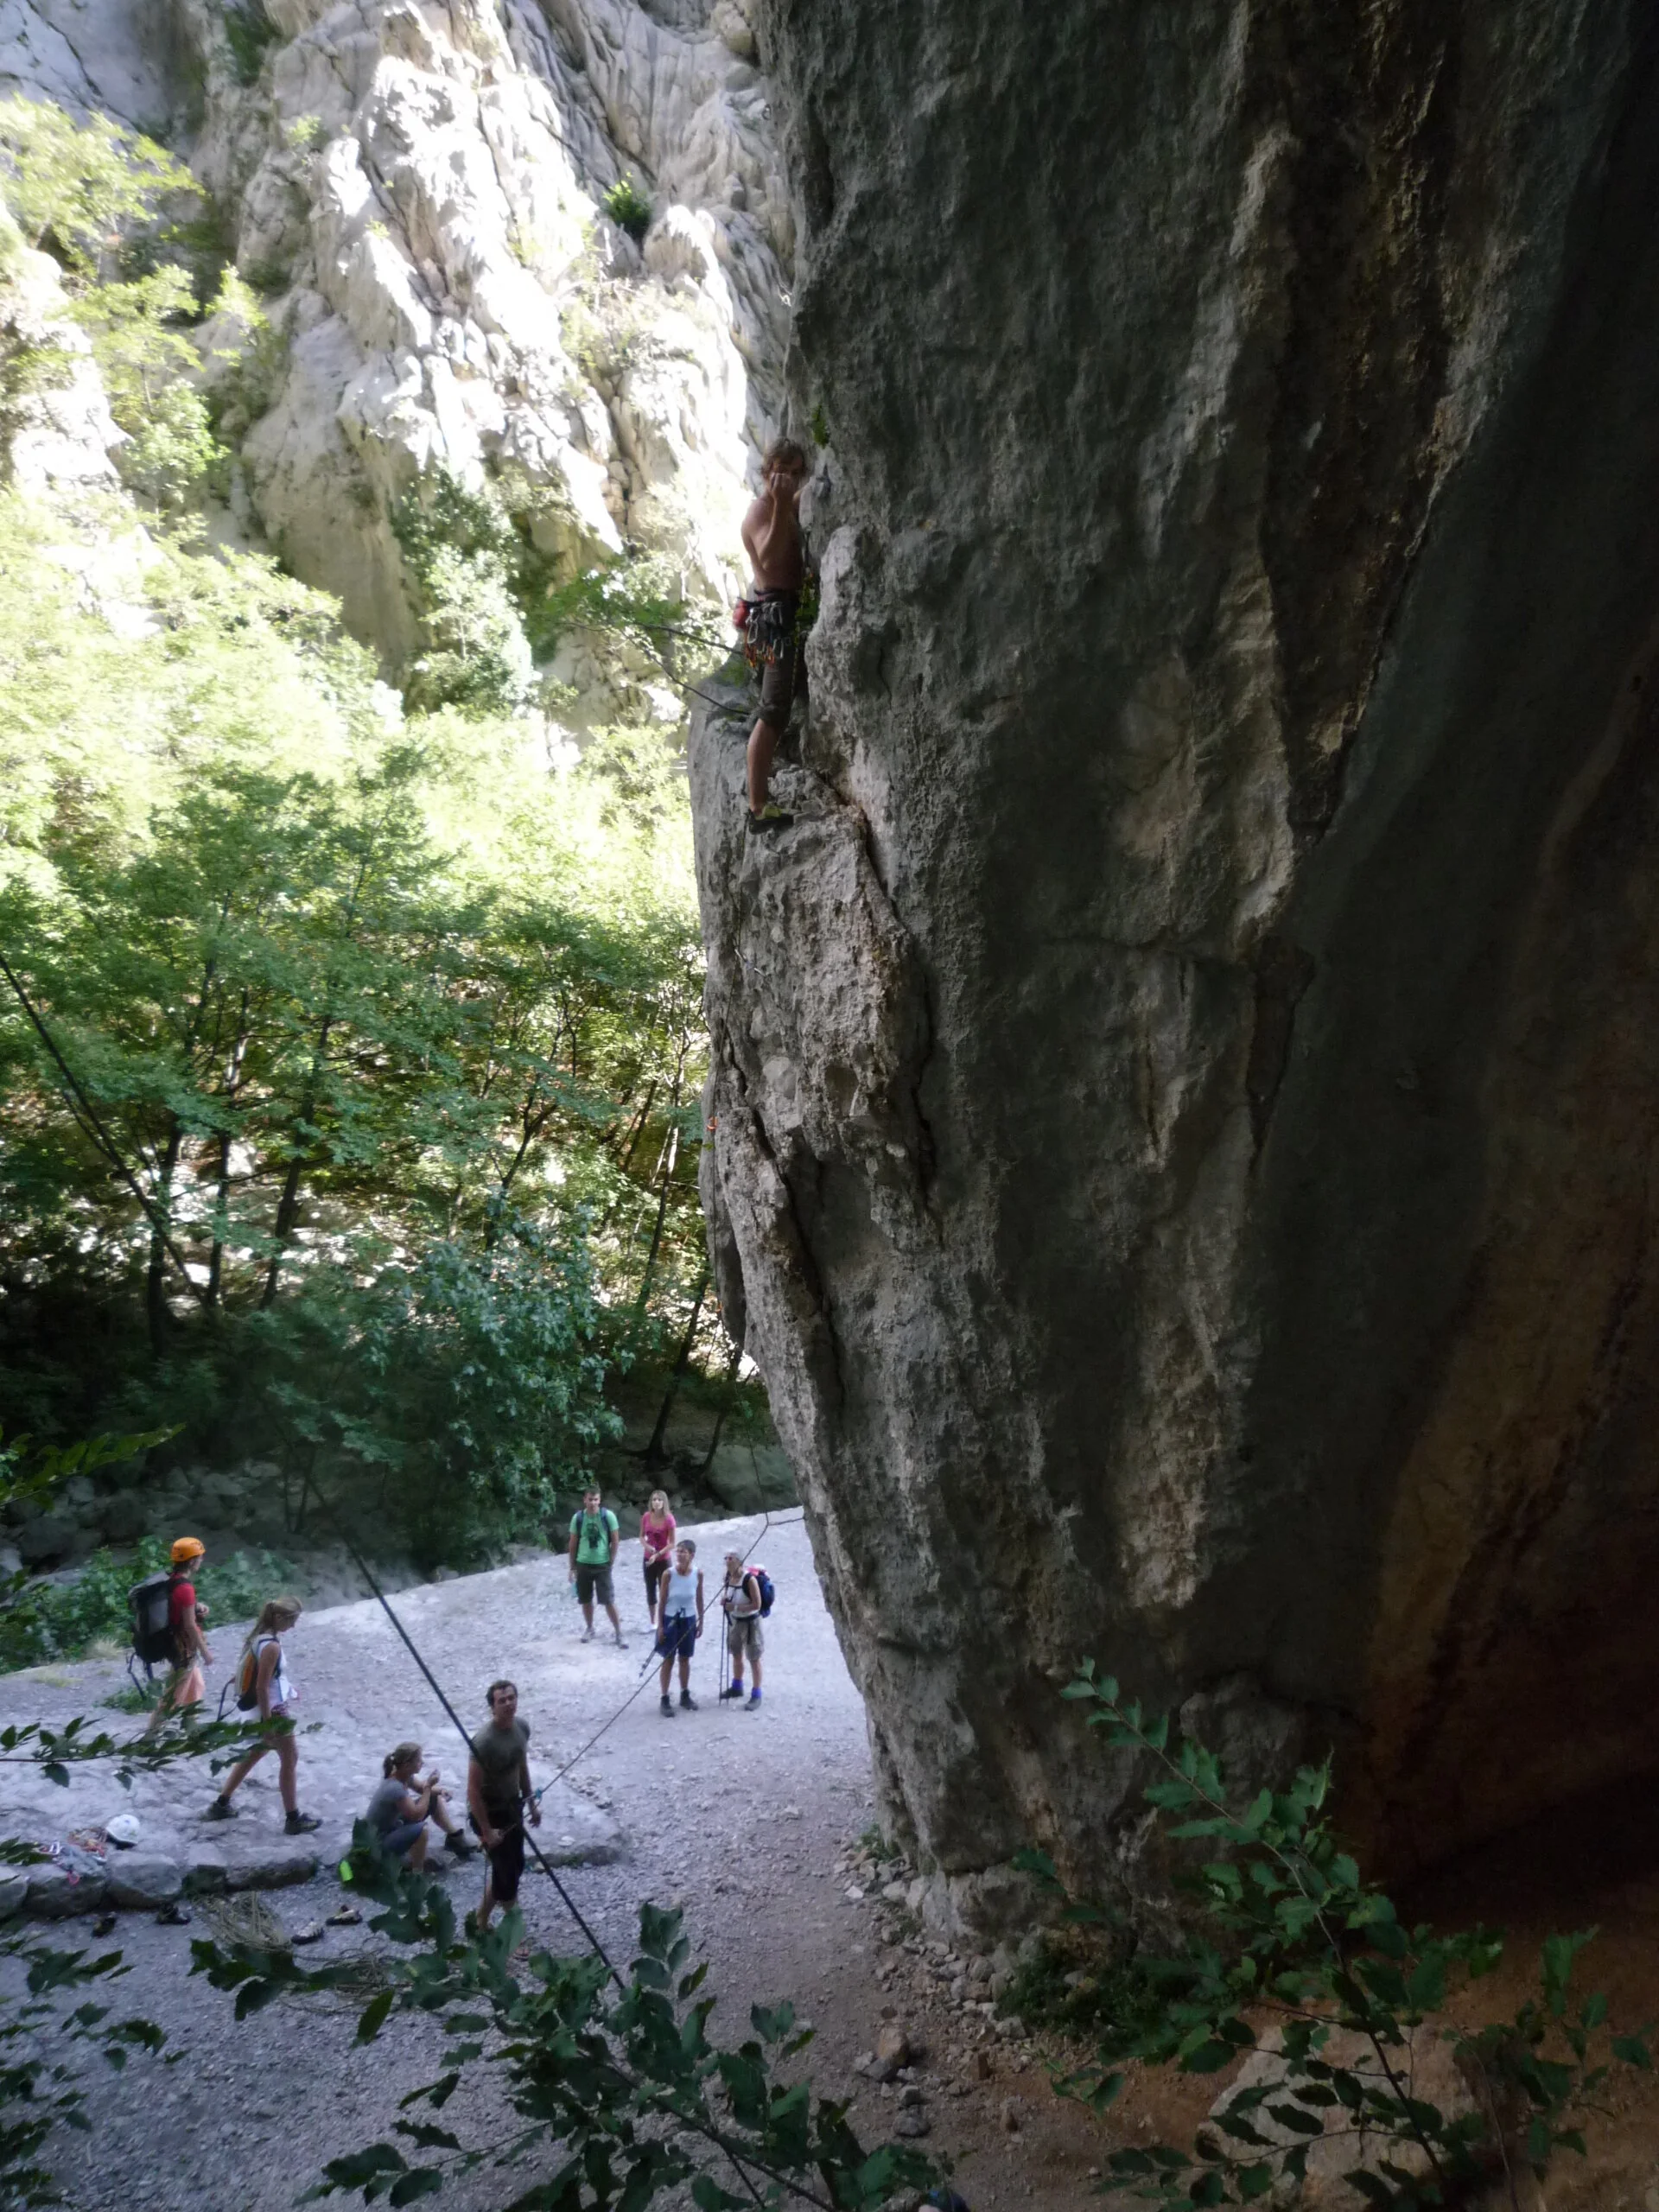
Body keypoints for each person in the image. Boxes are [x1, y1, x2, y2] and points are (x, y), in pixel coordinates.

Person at [740, 437, 810, 832]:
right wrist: (785, 502)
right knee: (772, 713)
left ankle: (757, 800)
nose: (787, 477)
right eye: (781, 469)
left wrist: (799, 497)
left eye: (795, 470)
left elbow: (795, 508)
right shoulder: (759, 511)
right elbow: (767, 556)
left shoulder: (780, 505)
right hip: (775, 618)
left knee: (776, 709)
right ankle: (758, 808)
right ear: (767, 472)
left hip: (784, 613)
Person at [204, 1597, 321, 1833]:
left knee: (254, 1753)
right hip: (273, 1711)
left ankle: (221, 1803)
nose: (293, 1626)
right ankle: (293, 1818)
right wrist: (269, 1724)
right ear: (279, 1618)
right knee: (290, 1759)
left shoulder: (258, 1637)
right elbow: (261, 1686)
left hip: (256, 1709)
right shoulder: (272, 1646)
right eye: (291, 1620)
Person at [467, 1679, 539, 1931]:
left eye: (511, 1698)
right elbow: (473, 1791)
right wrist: (486, 1831)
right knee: (506, 1873)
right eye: (502, 1700)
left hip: (513, 1808)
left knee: (514, 1866)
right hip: (489, 1813)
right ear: (492, 1707)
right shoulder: (483, 1742)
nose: (508, 1703)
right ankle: (513, 1933)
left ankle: (480, 1920)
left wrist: (531, 1804)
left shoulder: (521, 1728)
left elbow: (522, 1767)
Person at [366, 1742, 475, 1869]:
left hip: (393, 1826)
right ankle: (417, 1873)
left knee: (432, 1798)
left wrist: (440, 1791)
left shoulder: (403, 1775)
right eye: (418, 1761)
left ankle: (454, 1837)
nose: (422, 1763)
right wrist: (429, 1787)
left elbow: (420, 1788)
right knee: (421, 1830)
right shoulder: (395, 1788)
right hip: (379, 1841)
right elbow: (417, 1816)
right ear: (407, 1765)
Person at [146, 1536, 213, 1732]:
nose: (201, 1561)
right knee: (173, 1695)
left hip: (174, 1642)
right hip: (183, 1647)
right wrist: (206, 1652)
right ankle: (151, 1735)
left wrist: (197, 1607)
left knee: (196, 1685)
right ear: (192, 1561)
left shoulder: (171, 1581)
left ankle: (191, 1726)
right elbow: (190, 1626)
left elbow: (178, 1609)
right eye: (199, 1557)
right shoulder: (185, 1588)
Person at [568, 1486, 624, 1646]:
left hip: (602, 1564)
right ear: (584, 1500)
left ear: (599, 1500)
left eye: (596, 1499)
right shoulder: (578, 1518)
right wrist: (572, 1567)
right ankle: (590, 1628)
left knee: (608, 1600)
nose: (593, 1503)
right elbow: (573, 1543)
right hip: (583, 1563)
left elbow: (615, 1540)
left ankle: (619, 1632)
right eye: (590, 1499)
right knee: (585, 1599)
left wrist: (610, 1561)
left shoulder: (608, 1516)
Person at [655, 1537, 704, 1718]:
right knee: (668, 1658)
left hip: (689, 1618)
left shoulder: (698, 1574)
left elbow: (699, 1598)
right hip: (670, 1619)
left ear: (692, 1555)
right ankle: (665, 1697)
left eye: (684, 1552)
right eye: (678, 1551)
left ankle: (684, 1693)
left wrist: (701, 1621)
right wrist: (660, 1626)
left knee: (685, 1658)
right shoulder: (669, 1574)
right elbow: (662, 1601)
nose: (680, 1554)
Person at [721, 1551, 765, 1709]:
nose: (727, 1561)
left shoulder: (749, 1580)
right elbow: (728, 1595)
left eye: (730, 1558)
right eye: (726, 1558)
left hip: (751, 1623)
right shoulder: (728, 1577)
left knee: (754, 1657)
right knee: (736, 1654)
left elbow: (757, 1605)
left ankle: (756, 1694)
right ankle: (737, 1686)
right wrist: (726, 1601)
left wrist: (736, 1607)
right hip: (735, 1621)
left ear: (739, 1561)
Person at [640, 1490, 677, 1625]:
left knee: (665, 1590)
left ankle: (665, 1620)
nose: (656, 1502)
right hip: (648, 1558)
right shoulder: (646, 1517)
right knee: (650, 1589)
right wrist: (647, 1547)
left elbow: (672, 1543)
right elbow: (641, 1536)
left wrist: (658, 1554)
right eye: (654, 1500)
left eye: (659, 1500)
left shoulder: (669, 1519)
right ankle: (652, 1622)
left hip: (663, 1559)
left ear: (664, 1502)